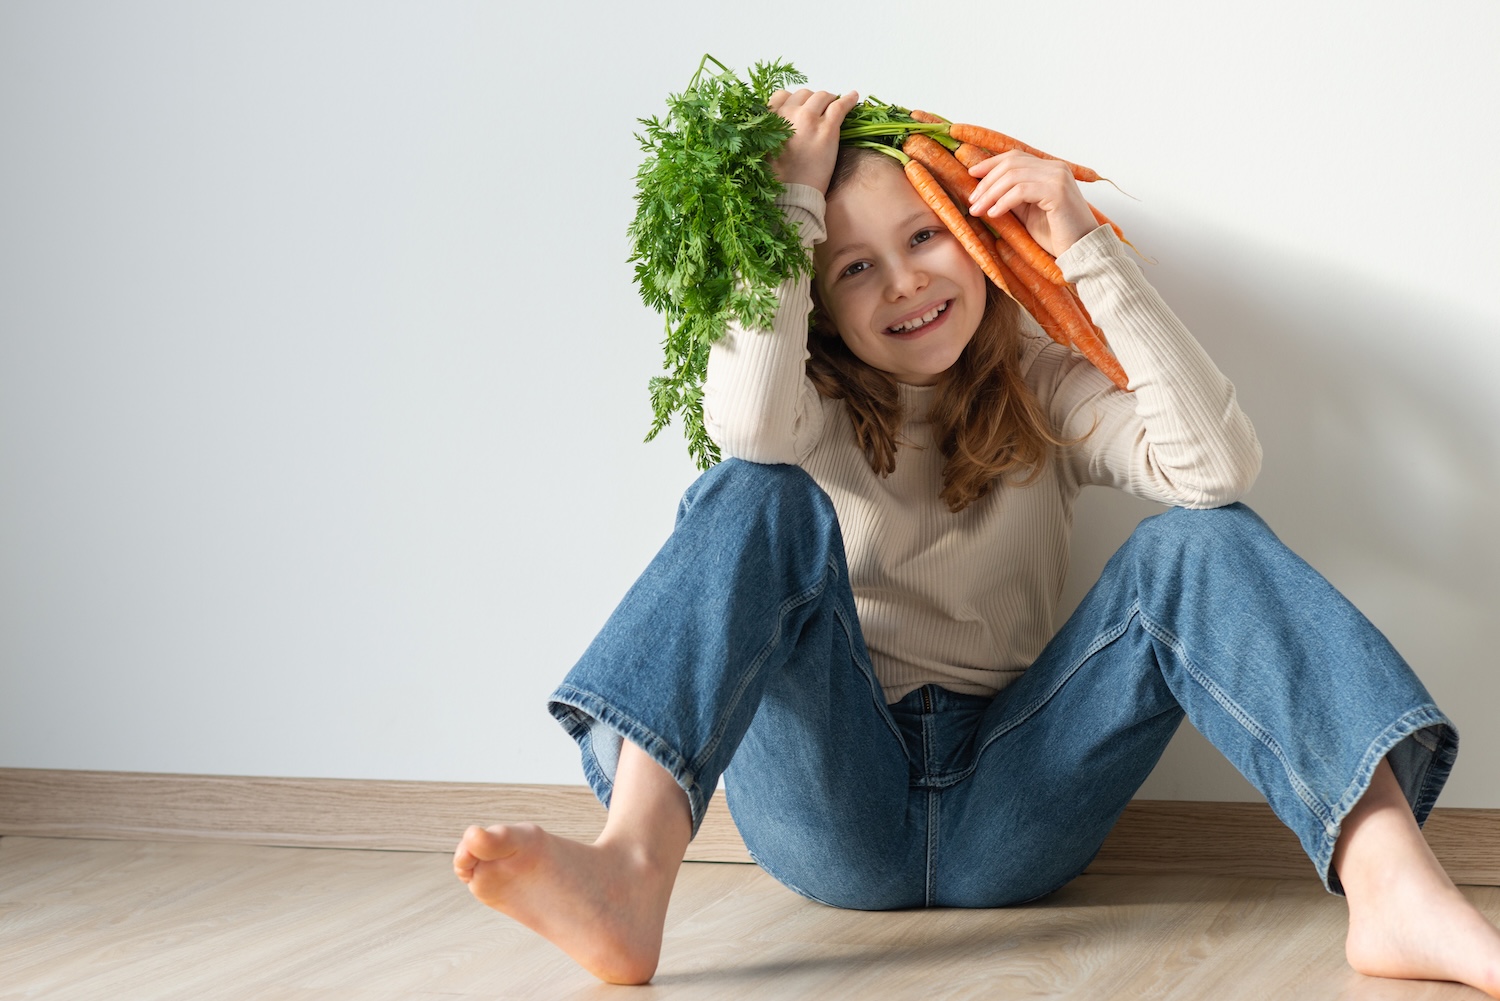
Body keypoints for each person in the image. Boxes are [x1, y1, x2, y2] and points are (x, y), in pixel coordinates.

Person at [453, 88, 1500, 993]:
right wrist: (786, 199)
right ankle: (632, 865)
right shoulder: (804, 402)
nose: (902, 283)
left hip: (1018, 801)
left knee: (1202, 540)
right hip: (839, 809)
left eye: (923, 237)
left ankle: (1389, 879)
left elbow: (1215, 466)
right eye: (853, 269)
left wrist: (1081, 241)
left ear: (981, 237)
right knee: (748, 492)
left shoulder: (1041, 386)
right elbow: (750, 429)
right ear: (819, 305)